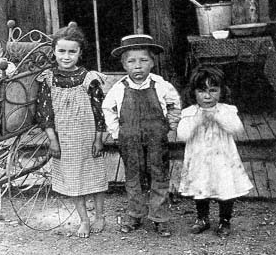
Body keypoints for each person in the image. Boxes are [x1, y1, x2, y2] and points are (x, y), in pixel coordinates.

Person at [102, 34, 181, 237]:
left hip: (157, 137)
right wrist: (116, 132)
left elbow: (174, 105)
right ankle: (135, 215)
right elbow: (108, 109)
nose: (138, 66)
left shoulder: (162, 85)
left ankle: (160, 218)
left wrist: (170, 126)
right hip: (129, 138)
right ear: (124, 64)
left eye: (143, 60)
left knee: (158, 175)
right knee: (133, 176)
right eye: (131, 61)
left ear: (152, 62)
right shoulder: (119, 88)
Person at [35, 23, 108, 238]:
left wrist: (98, 139)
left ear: (80, 53)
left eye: (72, 52)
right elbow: (45, 112)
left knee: (95, 179)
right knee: (73, 180)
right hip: (64, 139)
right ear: (54, 51)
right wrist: (52, 140)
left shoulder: (89, 79)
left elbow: (99, 112)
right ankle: (84, 220)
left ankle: (100, 215)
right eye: (61, 51)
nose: (66, 57)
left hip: (87, 137)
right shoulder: (48, 79)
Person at [177, 65, 253, 237]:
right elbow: (182, 134)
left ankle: (224, 221)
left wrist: (217, 117)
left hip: (223, 160)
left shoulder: (227, 110)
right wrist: (197, 120)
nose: (207, 96)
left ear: (221, 91)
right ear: (194, 93)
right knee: (200, 187)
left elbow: (237, 129)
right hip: (199, 160)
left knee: (225, 189)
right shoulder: (190, 112)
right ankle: (202, 218)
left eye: (213, 90)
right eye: (202, 91)